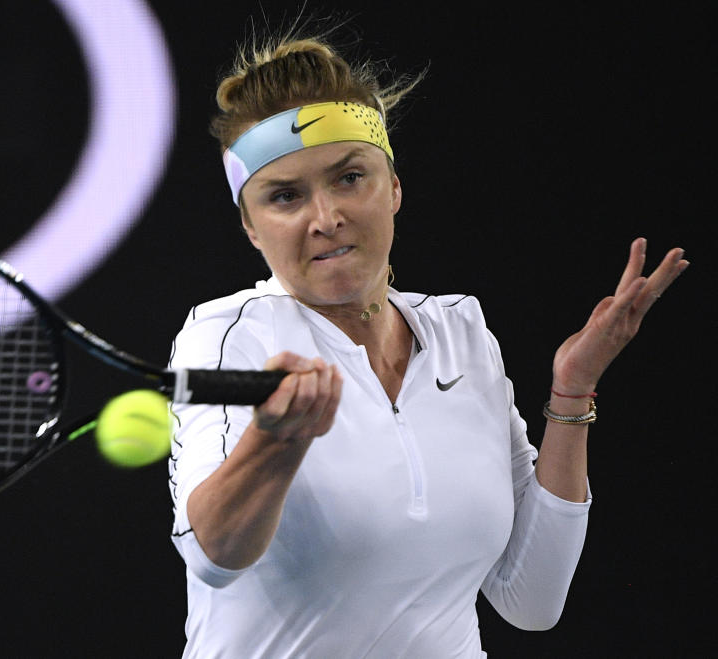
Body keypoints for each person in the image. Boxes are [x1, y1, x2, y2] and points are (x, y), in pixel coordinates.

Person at [166, 27, 688, 658]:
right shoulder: (229, 334)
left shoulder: (462, 330)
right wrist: (277, 440)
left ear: (393, 187)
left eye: (349, 178)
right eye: (285, 196)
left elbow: (532, 600)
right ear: (252, 229)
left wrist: (571, 394)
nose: (325, 216)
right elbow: (215, 554)